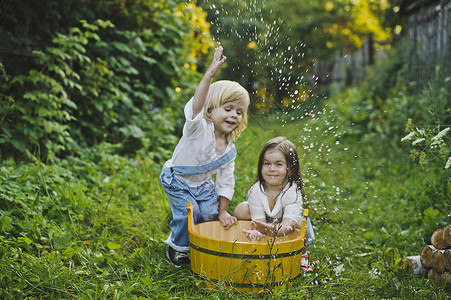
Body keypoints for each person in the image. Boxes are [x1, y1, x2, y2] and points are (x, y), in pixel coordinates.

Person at [160, 46, 250, 267]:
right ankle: (177, 248)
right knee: (190, 212)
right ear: (210, 110)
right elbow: (196, 104)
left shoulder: (229, 150)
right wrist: (209, 75)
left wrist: (223, 211)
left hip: (202, 184)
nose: (234, 115)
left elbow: (226, 180)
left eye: (239, 112)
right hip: (177, 180)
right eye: (228, 108)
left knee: (209, 212)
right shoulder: (198, 126)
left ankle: (204, 242)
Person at [233, 136, 315, 271]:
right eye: (267, 163)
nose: (271, 169)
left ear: (290, 168)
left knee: (301, 223)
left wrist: (272, 230)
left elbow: (289, 225)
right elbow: (259, 219)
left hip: (286, 224)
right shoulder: (256, 190)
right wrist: (258, 229)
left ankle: (303, 255)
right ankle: (254, 240)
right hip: (266, 222)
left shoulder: (292, 192)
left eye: (278, 164)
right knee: (241, 209)